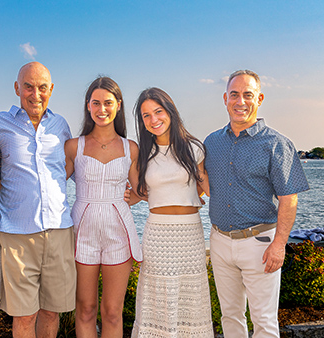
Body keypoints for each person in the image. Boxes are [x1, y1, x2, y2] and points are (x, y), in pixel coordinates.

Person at [204, 70, 309, 338]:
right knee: (230, 316)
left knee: (263, 321)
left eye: (247, 95)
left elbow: (289, 198)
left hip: (260, 243)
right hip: (219, 240)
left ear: (259, 98)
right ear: (225, 98)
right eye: (235, 95)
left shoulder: (277, 144)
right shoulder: (211, 142)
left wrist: (279, 245)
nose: (241, 101)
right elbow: (203, 184)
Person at [0, 62, 76, 338]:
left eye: (42, 87)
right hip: (17, 234)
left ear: (51, 89)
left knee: (51, 312)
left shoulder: (60, 125)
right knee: (24, 316)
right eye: (28, 86)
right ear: (17, 88)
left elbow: (71, 163)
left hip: (59, 231)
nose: (35, 94)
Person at [129, 88, 213, 337]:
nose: (153, 120)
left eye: (158, 111)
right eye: (146, 116)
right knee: (158, 299)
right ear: (141, 122)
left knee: (191, 298)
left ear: (170, 111)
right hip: (158, 234)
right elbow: (139, 193)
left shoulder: (194, 148)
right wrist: (122, 196)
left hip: (190, 234)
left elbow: (207, 187)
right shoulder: (142, 154)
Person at [64, 76, 142, 337]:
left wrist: (137, 197)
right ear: (88, 106)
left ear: (118, 105)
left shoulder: (131, 148)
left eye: (108, 103)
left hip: (118, 232)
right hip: (82, 231)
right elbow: (47, 183)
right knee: (85, 309)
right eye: (95, 103)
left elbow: (146, 187)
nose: (102, 109)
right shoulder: (75, 146)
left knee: (112, 311)